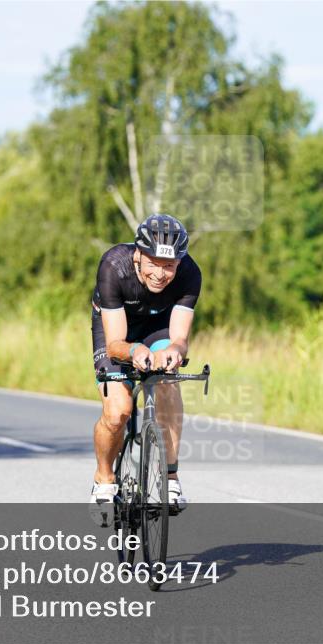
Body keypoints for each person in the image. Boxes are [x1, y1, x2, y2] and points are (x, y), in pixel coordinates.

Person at [89, 213, 201, 527]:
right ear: (138, 254)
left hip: (157, 327)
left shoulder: (190, 273)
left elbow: (179, 339)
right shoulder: (114, 265)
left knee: (167, 382)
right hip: (116, 327)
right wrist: (134, 350)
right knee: (118, 411)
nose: (160, 274)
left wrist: (173, 352)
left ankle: (171, 477)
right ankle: (104, 478)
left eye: (169, 266)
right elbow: (115, 344)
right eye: (153, 263)